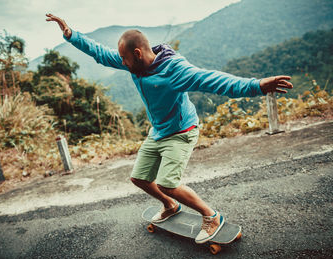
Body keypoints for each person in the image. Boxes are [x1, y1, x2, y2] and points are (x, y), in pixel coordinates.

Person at [46, 13, 293, 244]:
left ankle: (211, 215)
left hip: (181, 132)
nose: (121, 62)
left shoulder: (175, 70)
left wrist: (258, 85)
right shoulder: (135, 63)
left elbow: (215, 80)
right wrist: (70, 34)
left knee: (167, 183)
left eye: (125, 59)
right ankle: (170, 206)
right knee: (139, 178)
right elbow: (100, 53)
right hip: (159, 132)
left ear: (138, 53)